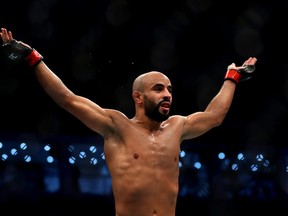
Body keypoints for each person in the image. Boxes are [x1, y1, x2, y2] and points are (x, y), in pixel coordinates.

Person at [0, 27, 257, 216]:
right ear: (138, 97)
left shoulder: (178, 126)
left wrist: (232, 77)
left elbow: (214, 117)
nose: (167, 94)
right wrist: (33, 58)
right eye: (158, 89)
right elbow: (69, 99)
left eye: (169, 89)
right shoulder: (116, 126)